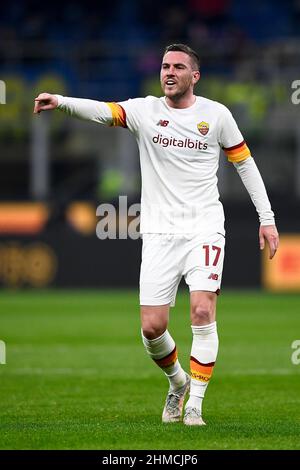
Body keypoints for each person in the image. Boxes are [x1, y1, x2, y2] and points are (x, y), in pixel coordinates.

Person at [33, 43, 279, 426]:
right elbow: (103, 112)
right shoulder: (145, 111)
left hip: (204, 227)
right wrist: (61, 100)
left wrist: (267, 218)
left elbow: (245, 165)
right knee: (152, 328)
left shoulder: (216, 116)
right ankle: (177, 382)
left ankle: (195, 403)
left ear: (194, 76)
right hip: (160, 232)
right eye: (165, 66)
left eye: (178, 67)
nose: (169, 72)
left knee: (202, 309)